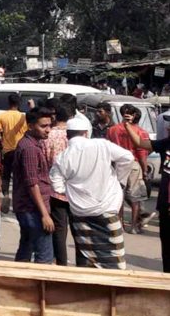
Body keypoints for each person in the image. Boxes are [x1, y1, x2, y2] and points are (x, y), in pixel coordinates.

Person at [50, 118, 134, 270]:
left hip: (80, 213)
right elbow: (127, 158)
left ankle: (87, 291)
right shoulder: (102, 145)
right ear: (86, 133)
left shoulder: (63, 157)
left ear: (67, 136)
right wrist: (120, 181)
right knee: (114, 258)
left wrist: (72, 194)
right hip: (107, 209)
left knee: (86, 257)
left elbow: (56, 184)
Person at [126, 115, 170, 272]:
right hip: (165, 206)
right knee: (166, 246)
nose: (167, 127)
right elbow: (139, 143)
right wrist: (127, 125)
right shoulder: (166, 143)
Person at [12, 107, 54, 264]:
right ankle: (40, 287)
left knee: (26, 248)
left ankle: (19, 285)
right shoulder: (29, 148)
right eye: (43, 126)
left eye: (49, 125)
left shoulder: (32, 144)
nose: (48, 130)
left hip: (29, 208)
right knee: (44, 255)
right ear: (30, 126)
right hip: (32, 209)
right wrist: (45, 214)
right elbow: (32, 183)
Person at [107, 104, 149, 234]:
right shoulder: (140, 132)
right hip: (134, 164)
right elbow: (142, 152)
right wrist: (145, 169)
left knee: (119, 195)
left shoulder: (112, 130)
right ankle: (134, 226)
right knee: (135, 196)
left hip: (117, 164)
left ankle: (120, 225)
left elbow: (107, 148)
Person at [42, 103, 71, 266]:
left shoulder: (48, 135)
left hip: (54, 188)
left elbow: (45, 161)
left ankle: (61, 262)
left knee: (59, 229)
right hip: (75, 189)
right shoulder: (75, 134)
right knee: (76, 227)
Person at [0, 92, 27, 212]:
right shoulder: (23, 117)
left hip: (7, 151)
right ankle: (17, 199)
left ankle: (6, 195)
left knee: (6, 176)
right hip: (20, 151)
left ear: (8, 103)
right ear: (19, 103)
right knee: (18, 177)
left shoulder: (1, 116)